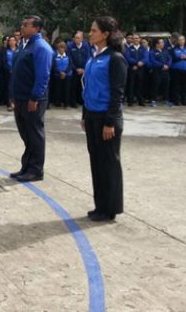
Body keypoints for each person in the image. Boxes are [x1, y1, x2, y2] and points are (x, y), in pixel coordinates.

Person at [81, 16, 127, 222]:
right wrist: (85, 114)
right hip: (92, 115)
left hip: (106, 118)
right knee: (96, 162)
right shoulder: (94, 56)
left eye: (94, 31)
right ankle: (100, 205)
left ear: (106, 34)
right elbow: (88, 87)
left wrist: (110, 122)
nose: (90, 34)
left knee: (108, 164)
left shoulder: (115, 58)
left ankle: (110, 208)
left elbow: (117, 93)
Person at [9, 15, 53, 182]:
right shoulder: (23, 44)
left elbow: (43, 76)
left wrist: (35, 97)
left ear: (36, 28)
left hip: (32, 99)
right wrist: (12, 95)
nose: (22, 26)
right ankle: (26, 166)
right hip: (20, 97)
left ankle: (36, 170)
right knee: (26, 134)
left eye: (26, 24)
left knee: (34, 134)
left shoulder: (41, 47)